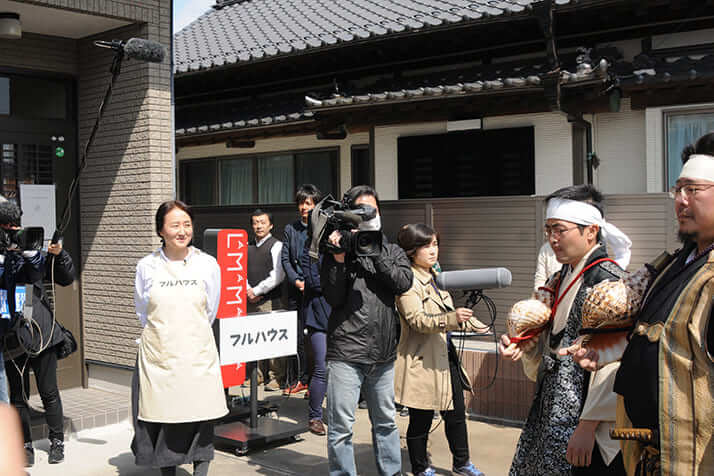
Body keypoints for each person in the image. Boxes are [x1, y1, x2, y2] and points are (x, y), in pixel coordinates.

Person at [563, 132, 714, 475]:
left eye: (693, 190)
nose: (680, 200)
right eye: (678, 190)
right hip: (647, 454)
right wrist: (605, 349)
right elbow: (664, 339)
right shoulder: (678, 262)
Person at [499, 184, 631, 476]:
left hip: (584, 412)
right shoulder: (562, 275)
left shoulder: (607, 280)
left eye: (560, 230)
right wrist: (521, 342)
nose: (552, 240)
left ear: (591, 231)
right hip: (553, 401)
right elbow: (547, 331)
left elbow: (615, 357)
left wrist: (588, 424)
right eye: (548, 231)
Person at [321, 185, 413, 476]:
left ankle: (391, 472)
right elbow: (333, 299)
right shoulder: (337, 251)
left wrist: (373, 251)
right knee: (340, 427)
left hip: (383, 353)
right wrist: (338, 259)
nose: (369, 217)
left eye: (373, 211)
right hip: (346, 351)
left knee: (386, 422)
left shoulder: (393, 250)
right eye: (361, 212)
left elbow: (402, 283)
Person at [132, 200, 228, 476]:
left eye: (187, 224)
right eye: (175, 225)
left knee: (201, 417)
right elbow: (143, 311)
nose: (182, 230)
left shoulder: (208, 264)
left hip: (197, 355)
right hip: (161, 358)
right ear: (160, 230)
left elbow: (211, 308)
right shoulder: (146, 266)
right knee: (165, 420)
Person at [395, 223, 487, 476]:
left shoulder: (438, 277)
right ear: (412, 250)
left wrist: (481, 327)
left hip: (445, 357)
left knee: (456, 414)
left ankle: (462, 463)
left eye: (435, 244)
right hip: (421, 361)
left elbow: (451, 313)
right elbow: (417, 320)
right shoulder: (408, 282)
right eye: (426, 245)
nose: (433, 250)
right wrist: (453, 319)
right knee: (421, 419)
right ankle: (420, 467)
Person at [1, 198, 75, 466]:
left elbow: (63, 277)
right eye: (6, 228)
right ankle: (25, 445)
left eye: (16, 226)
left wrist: (57, 255)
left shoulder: (32, 252)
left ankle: (57, 442)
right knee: (19, 396)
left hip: (40, 331)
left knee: (49, 392)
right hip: (10, 334)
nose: (13, 233)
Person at [281, 184, 321, 395]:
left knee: (315, 337)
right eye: (301, 203)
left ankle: (316, 381)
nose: (304, 207)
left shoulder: (323, 228)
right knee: (297, 337)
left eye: (308, 203)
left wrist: (311, 283)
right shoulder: (291, 229)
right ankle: (301, 378)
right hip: (296, 290)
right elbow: (285, 258)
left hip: (316, 292)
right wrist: (297, 280)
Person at [246, 209, 286, 391]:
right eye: (255, 222)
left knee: (272, 338)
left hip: (270, 299)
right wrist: (247, 290)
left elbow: (278, 275)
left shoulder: (277, 245)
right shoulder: (247, 246)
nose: (258, 226)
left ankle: (276, 377)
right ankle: (257, 376)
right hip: (250, 299)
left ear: (270, 225)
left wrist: (257, 290)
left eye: (262, 222)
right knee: (252, 338)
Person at [300, 234, 330, 435]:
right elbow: (315, 282)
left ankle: (338, 414)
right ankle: (315, 417)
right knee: (321, 367)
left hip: (346, 318)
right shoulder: (311, 249)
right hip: (319, 317)